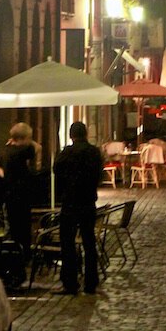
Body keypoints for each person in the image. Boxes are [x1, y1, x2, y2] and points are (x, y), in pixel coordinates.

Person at [53, 121, 103, 295]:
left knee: (67, 243)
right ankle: (91, 283)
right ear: (86, 134)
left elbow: (56, 170)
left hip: (70, 203)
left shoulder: (66, 153)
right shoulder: (94, 152)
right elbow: (99, 174)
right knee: (89, 243)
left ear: (71, 135)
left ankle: (70, 283)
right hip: (88, 202)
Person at [0, 121, 40, 263]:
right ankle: (23, 257)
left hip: (9, 196)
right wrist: (29, 141)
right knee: (23, 229)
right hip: (21, 197)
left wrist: (5, 175)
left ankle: (15, 256)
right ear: (23, 138)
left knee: (12, 228)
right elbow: (38, 147)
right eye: (29, 137)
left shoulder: (6, 151)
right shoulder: (23, 151)